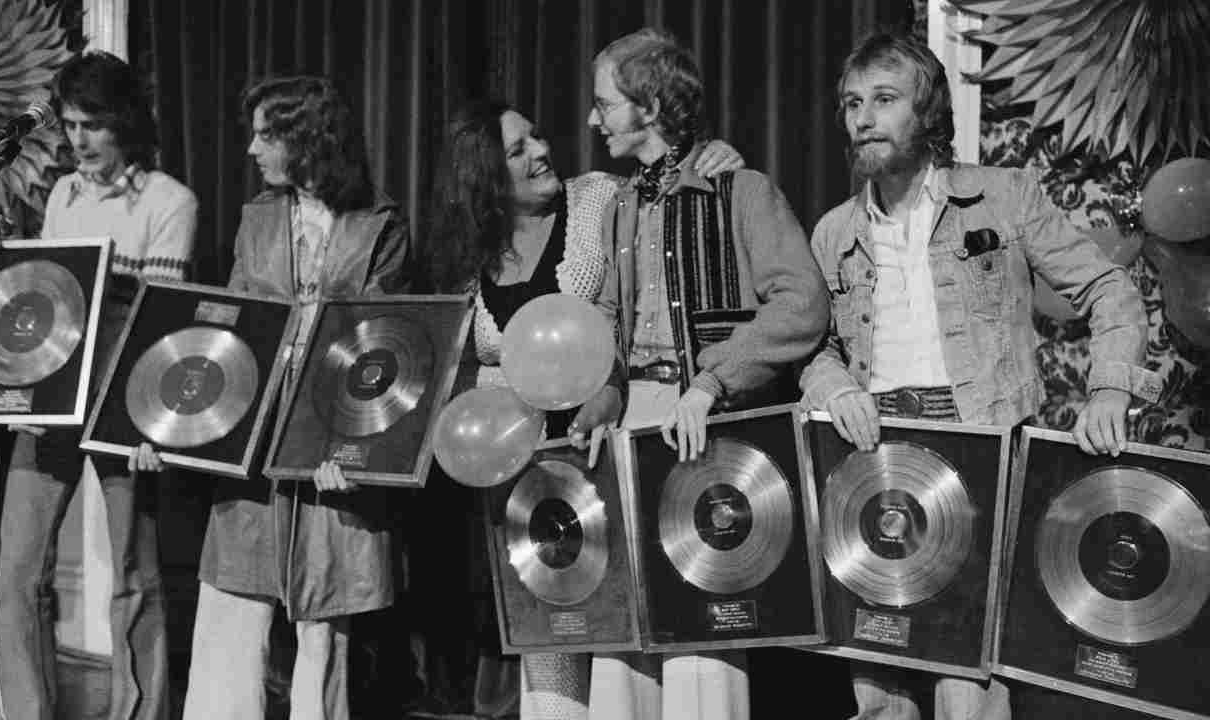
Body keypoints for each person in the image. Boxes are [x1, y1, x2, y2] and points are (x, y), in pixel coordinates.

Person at [797, 31, 1162, 720]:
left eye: (883, 99)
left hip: (980, 449)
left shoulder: (1005, 197)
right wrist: (834, 388)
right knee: (878, 685)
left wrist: (1110, 387)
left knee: (967, 685)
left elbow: (1109, 288)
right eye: (851, 104)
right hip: (870, 454)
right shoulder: (832, 231)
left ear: (927, 111)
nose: (863, 119)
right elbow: (812, 348)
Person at [417, 99, 743, 720]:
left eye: (537, 136)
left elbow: (667, 204)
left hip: (611, 448)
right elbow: (466, 368)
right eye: (518, 150)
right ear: (484, 176)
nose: (542, 152)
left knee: (629, 645)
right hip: (528, 474)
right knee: (551, 640)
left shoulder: (598, 197)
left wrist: (714, 158)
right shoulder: (468, 260)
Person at [137, 75, 409, 720]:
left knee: (325, 625)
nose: (252, 149)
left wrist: (356, 452)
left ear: (307, 138)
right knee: (231, 611)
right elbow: (228, 333)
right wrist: (169, 429)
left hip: (331, 442)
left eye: (266, 135)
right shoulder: (257, 216)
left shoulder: (379, 224)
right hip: (254, 445)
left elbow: (387, 345)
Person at [583, 27, 830, 720]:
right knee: (624, 632)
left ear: (650, 105)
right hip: (633, 422)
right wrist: (602, 391)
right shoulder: (620, 205)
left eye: (605, 103)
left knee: (703, 628)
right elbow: (608, 315)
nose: (594, 120)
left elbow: (803, 305)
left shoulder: (741, 190)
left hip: (708, 423)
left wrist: (712, 380)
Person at [0, 50, 197, 720]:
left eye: (93, 125)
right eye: (71, 125)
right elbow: (52, 305)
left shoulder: (169, 201)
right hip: (55, 403)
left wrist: (148, 426)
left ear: (125, 122)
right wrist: (29, 386)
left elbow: (162, 324)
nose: (78, 139)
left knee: (134, 576)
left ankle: (142, 712)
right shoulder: (62, 195)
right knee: (15, 574)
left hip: (122, 404)